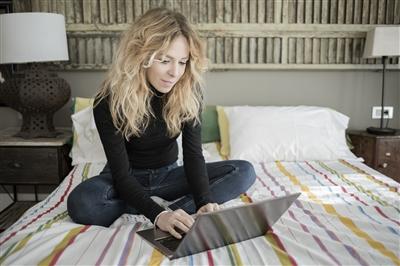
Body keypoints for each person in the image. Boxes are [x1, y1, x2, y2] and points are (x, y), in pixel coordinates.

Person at [67, 7, 256, 239]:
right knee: (82, 203)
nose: (174, 73)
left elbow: (193, 155)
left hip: (170, 176)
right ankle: (156, 210)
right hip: (125, 178)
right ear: (140, 55)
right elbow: (121, 175)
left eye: (182, 62)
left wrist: (204, 201)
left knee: (243, 171)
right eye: (165, 60)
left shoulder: (189, 91)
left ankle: (177, 214)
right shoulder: (108, 100)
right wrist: (157, 214)